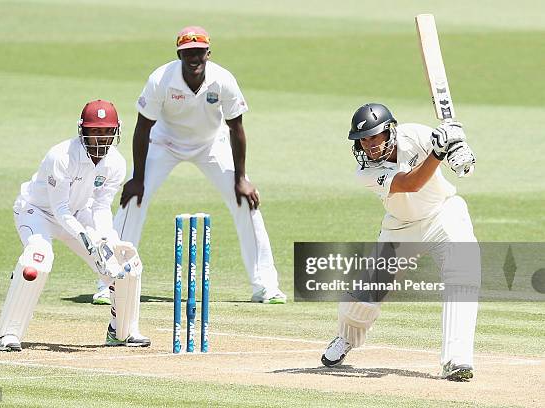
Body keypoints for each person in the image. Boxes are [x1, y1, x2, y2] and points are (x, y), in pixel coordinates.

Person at [93, 26, 286, 304]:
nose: (194, 58)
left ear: (208, 53)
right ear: (179, 54)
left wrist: (241, 177)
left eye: (198, 52)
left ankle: (265, 286)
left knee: (246, 201)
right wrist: (138, 178)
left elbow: (237, 129)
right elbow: (142, 128)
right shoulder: (160, 79)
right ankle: (109, 283)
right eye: (187, 53)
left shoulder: (223, 80)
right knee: (132, 200)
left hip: (211, 144)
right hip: (164, 143)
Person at [321, 103, 479, 381]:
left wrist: (458, 148)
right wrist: (439, 152)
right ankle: (346, 338)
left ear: (389, 131)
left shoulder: (416, 135)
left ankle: (457, 359)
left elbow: (459, 162)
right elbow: (410, 184)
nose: (368, 145)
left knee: (463, 272)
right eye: (363, 139)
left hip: (442, 213)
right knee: (364, 297)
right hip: (400, 228)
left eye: (373, 136)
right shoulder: (366, 173)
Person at [0, 100, 150, 351]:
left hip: (81, 212)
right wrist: (85, 237)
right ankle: (8, 335)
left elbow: (101, 207)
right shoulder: (61, 156)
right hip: (38, 212)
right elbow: (59, 209)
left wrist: (104, 239)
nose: (101, 139)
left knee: (122, 262)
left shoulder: (116, 163)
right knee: (37, 260)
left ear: (116, 131)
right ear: (83, 130)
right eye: (95, 132)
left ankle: (122, 330)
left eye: (107, 131)